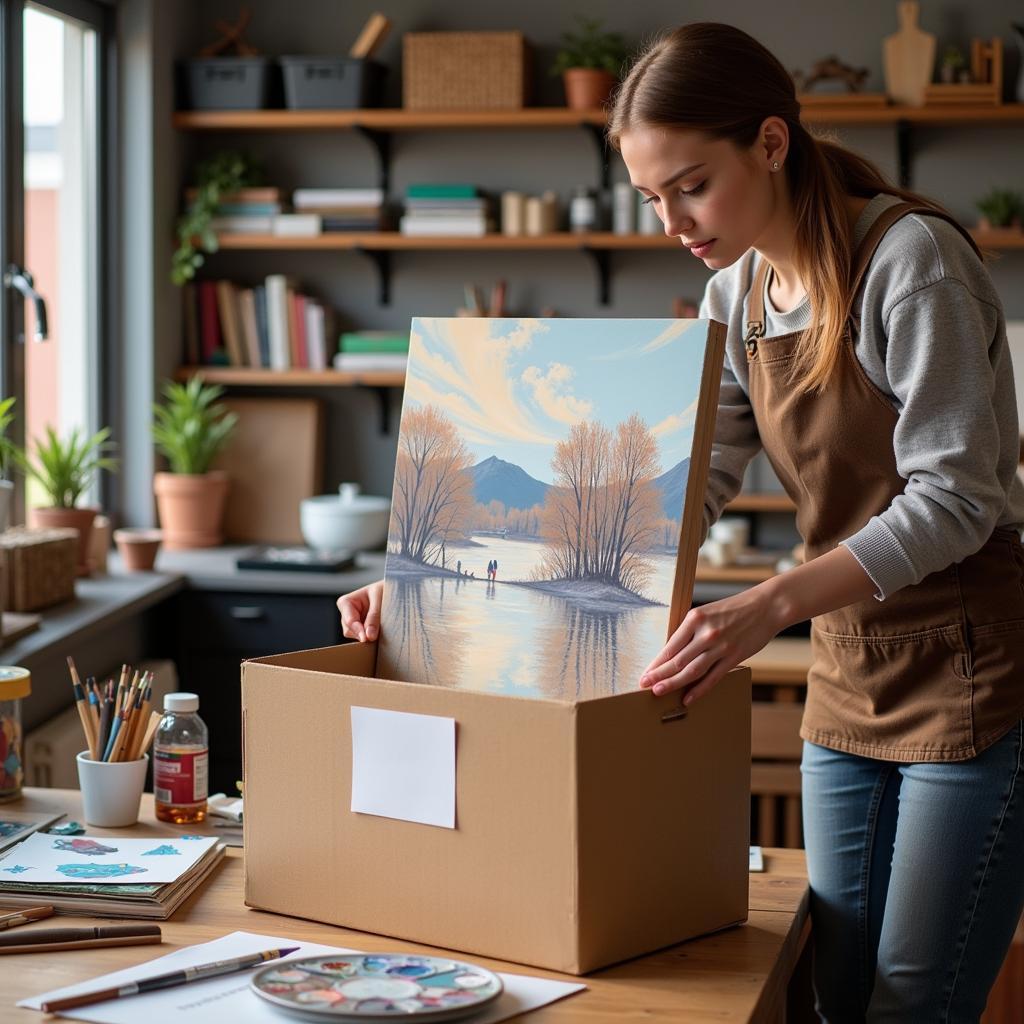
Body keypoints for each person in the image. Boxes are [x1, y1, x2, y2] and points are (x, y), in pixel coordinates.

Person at [338, 22, 1024, 1021]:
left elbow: (958, 497)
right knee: (828, 988)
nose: (670, 217)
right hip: (850, 669)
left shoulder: (906, 262)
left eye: (690, 184)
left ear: (771, 144)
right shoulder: (733, 295)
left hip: (970, 674)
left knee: (910, 1001)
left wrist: (770, 602)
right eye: (652, 195)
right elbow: (687, 486)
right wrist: (414, 587)